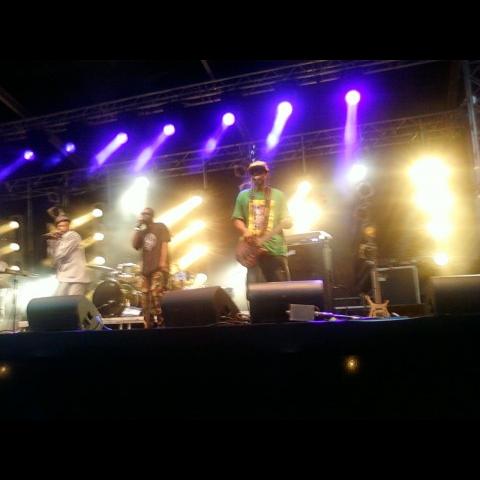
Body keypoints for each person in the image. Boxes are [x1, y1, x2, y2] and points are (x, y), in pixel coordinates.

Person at [232, 160, 293, 288]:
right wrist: (245, 231)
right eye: (253, 173)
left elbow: (287, 221)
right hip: (253, 251)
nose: (256, 176)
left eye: (259, 172)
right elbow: (237, 219)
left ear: (266, 174)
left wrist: (287, 223)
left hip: (275, 251)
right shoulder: (243, 196)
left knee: (281, 293)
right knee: (255, 294)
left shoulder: (278, 195)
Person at [132, 207, 171, 328]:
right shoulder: (142, 231)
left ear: (151, 215)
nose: (144, 216)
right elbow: (135, 245)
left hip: (157, 269)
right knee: (145, 301)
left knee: (157, 297)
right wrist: (137, 227)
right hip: (145, 271)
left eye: (146, 214)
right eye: (142, 214)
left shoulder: (160, 227)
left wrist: (162, 263)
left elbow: (165, 244)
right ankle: (148, 325)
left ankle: (162, 324)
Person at [46, 214, 91, 296]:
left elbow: (60, 253)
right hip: (65, 276)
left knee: (72, 301)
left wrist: (54, 240)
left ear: (69, 227)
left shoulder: (73, 235)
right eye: (59, 226)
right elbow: (53, 258)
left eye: (64, 226)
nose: (61, 228)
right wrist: (52, 242)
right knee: (59, 299)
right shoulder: (60, 239)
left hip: (77, 276)